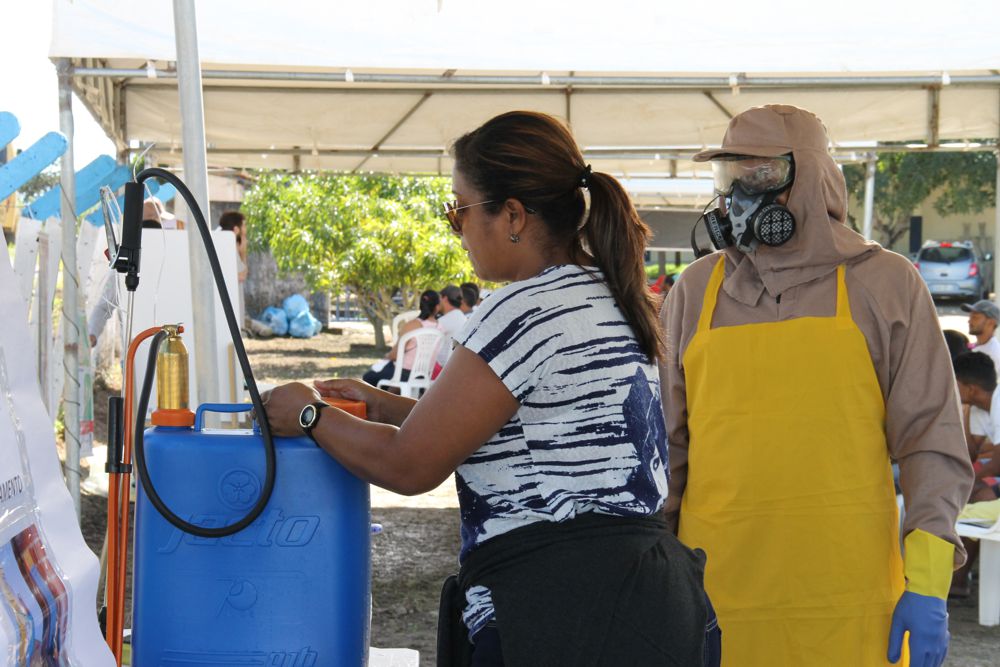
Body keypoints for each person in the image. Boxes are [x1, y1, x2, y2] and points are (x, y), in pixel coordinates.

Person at [264, 110, 715, 666]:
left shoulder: (521, 310)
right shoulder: (607, 293)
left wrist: (310, 416)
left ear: (513, 216)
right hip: (647, 608)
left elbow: (410, 468)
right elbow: (520, 426)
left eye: (458, 209)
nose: (455, 227)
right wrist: (384, 406)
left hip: (559, 616)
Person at [661, 104, 972, 666]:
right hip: (714, 594)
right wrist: (649, 570)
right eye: (728, 178)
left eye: (758, 177)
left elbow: (931, 439)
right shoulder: (695, 291)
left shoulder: (885, 282)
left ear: (808, 179)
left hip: (849, 602)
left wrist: (927, 582)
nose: (735, 198)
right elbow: (666, 449)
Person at [361, 290, 441, 387]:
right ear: (437, 307)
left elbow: (395, 355)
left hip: (403, 373)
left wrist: (387, 356)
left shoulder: (412, 325)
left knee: (368, 378)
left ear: (421, 304)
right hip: (424, 375)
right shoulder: (441, 328)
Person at [436, 285, 467, 368]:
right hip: (455, 367)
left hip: (441, 369)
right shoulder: (462, 318)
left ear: (445, 299)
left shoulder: (443, 321)